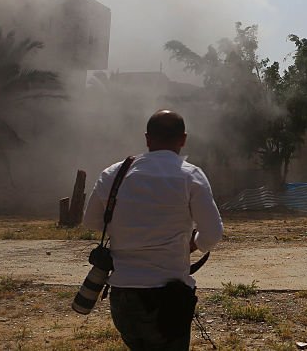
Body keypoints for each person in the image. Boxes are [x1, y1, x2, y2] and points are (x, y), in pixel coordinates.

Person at [83, 109, 223, 351]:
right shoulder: (190, 175)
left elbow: (92, 222)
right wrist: (195, 243)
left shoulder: (114, 174)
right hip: (168, 298)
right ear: (183, 139)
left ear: (147, 139)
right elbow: (212, 233)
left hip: (123, 296)